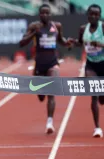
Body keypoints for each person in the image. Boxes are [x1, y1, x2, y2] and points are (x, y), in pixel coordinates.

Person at [19, 4, 73, 134]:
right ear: (39, 15)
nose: (45, 15)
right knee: (41, 96)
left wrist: (67, 43)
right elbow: (21, 43)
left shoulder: (57, 26)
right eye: (42, 13)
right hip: (39, 65)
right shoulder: (34, 26)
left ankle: (50, 122)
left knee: (51, 92)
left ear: (51, 14)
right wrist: (33, 33)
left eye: (47, 13)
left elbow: (60, 40)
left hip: (52, 62)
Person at [72, 4, 104, 138]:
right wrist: (72, 42)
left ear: (100, 16)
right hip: (91, 65)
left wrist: (101, 44)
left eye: (97, 14)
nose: (94, 16)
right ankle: (97, 128)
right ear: (88, 15)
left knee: (102, 99)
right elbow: (81, 42)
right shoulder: (83, 29)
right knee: (94, 93)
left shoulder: (103, 27)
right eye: (92, 14)